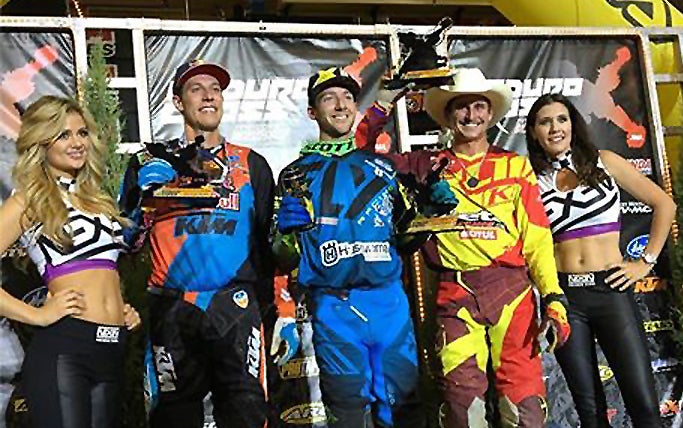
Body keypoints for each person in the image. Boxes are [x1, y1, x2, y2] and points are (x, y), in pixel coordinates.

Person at [365, 68, 571, 428]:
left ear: (490, 114)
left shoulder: (515, 166)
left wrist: (553, 297)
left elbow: (537, 237)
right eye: (461, 107)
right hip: (454, 291)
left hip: (512, 292)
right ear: (448, 114)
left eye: (479, 107)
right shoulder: (424, 165)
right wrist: (382, 104)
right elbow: (361, 160)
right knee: (461, 408)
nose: (471, 116)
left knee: (524, 406)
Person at [119, 59, 273, 428]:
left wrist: (277, 308)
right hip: (172, 307)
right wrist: (143, 198)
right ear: (177, 102)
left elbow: (268, 244)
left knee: (247, 411)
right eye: (196, 89)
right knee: (173, 415)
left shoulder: (252, 163)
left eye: (215, 89)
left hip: (234, 305)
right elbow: (127, 239)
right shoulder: (150, 160)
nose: (208, 96)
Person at [270, 67, 423, 428]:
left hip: (389, 305)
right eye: (328, 98)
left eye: (347, 97)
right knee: (347, 411)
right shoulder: (293, 175)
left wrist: (431, 211)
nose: (340, 105)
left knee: (401, 410)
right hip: (333, 307)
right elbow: (282, 256)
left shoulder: (383, 168)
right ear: (312, 112)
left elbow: (408, 238)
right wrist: (286, 235)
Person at [525, 93, 676, 428]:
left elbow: (665, 205)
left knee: (645, 407)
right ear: (533, 132)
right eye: (545, 122)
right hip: (565, 300)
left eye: (561, 119)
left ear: (573, 125)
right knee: (590, 414)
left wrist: (645, 262)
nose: (555, 128)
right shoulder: (531, 181)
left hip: (611, 291)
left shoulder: (604, 161)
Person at [0, 95, 141, 428]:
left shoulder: (97, 199)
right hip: (65, 351)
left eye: (81, 134)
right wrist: (36, 315)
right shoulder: (29, 200)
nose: (77, 143)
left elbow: (102, 272)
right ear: (41, 142)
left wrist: (122, 306)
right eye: (64, 135)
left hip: (111, 349)